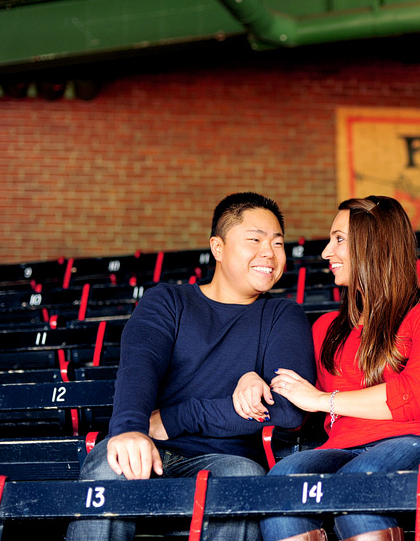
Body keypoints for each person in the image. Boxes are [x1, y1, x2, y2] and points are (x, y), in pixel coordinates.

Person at [66, 192, 316, 541]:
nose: (269, 253)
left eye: (278, 243)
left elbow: (287, 410)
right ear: (218, 246)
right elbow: (140, 366)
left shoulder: (282, 315)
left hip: (222, 462)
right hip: (152, 448)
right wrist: (130, 428)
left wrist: (176, 418)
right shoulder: (167, 301)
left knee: (243, 476)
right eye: (255, 240)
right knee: (112, 463)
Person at [234, 195, 420, 541]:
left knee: (359, 484)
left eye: (339, 239)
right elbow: (287, 393)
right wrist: (249, 376)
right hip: (342, 452)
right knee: (282, 485)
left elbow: (415, 395)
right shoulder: (326, 328)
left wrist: (323, 400)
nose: (327, 252)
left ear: (375, 244)